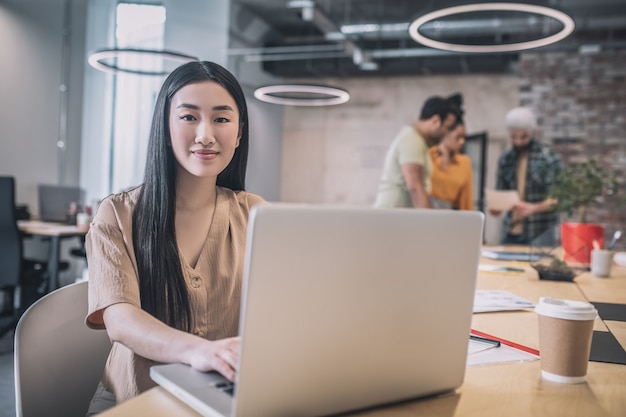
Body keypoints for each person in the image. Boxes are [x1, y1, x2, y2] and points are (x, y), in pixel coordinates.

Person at [84, 61, 265, 414]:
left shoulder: (255, 213)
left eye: (221, 119)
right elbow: (120, 320)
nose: (206, 135)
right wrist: (199, 351)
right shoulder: (117, 214)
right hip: (134, 398)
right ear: (164, 127)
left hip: (221, 399)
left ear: (239, 133)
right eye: (188, 117)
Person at [490, 106, 562, 245]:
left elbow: (558, 199)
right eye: (514, 137)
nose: (518, 142)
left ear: (533, 132)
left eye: (523, 137)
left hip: (539, 232)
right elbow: (500, 192)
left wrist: (534, 208)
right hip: (510, 232)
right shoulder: (506, 158)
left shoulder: (548, 156)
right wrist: (496, 207)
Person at [374, 96, 461, 208]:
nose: (447, 134)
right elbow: (415, 187)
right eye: (447, 128)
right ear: (435, 121)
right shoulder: (412, 139)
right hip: (391, 218)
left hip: (397, 217)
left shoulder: (417, 140)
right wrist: (427, 223)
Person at [429, 94, 473, 210]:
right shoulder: (428, 156)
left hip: (451, 216)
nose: (462, 142)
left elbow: (466, 200)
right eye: (457, 137)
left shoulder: (464, 162)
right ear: (445, 133)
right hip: (425, 213)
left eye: (464, 138)